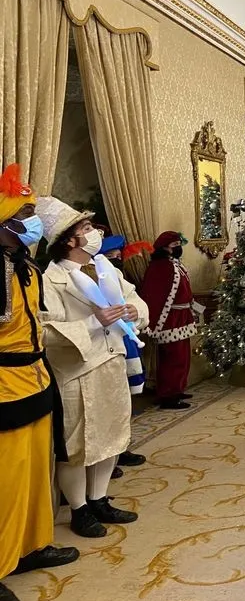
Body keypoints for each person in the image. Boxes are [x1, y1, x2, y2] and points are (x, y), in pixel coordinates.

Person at [37, 197, 147, 538]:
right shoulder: (48, 280)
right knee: (76, 445)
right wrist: (92, 323)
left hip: (112, 361)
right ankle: (79, 508)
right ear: (70, 240)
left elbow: (134, 298)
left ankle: (99, 498)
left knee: (111, 437)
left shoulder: (106, 269)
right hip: (78, 371)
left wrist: (132, 311)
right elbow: (44, 331)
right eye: (86, 229)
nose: (95, 232)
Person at [0, 167, 78, 601]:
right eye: (26, 212)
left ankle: (30, 546)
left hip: (35, 379)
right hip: (4, 387)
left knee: (35, 473)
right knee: (6, 481)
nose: (34, 221)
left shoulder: (25, 265)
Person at [99, 234, 153, 475]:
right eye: (111, 256)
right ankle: (106, 455)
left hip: (125, 345)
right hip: (101, 348)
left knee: (124, 401)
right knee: (104, 404)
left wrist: (136, 311)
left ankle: (121, 447)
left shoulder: (117, 275)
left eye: (118, 256)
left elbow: (136, 300)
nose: (116, 260)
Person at [139, 232, 198, 410]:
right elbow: (156, 296)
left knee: (182, 356)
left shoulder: (175, 264)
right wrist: (156, 323)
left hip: (182, 315)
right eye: (175, 244)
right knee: (173, 357)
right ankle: (168, 394)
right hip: (170, 318)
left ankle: (177, 388)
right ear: (165, 247)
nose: (178, 247)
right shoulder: (160, 267)